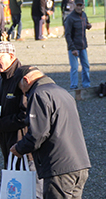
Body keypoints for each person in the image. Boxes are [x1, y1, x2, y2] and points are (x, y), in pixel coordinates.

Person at [10, 68, 91, 199]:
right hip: (80, 163)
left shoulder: (38, 94)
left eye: (21, 89)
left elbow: (38, 134)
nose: (23, 94)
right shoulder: (62, 92)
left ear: (26, 80)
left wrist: (19, 148)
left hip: (58, 167)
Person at [0, 42, 44, 198]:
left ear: (11, 56)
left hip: (26, 147)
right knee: (18, 193)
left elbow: (27, 115)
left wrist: (0, 124)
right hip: (9, 146)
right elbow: (1, 108)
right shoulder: (1, 81)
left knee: (34, 191)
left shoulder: (22, 79)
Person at [64, 0, 92, 89]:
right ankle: (74, 85)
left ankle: (86, 84)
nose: (79, 7)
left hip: (83, 46)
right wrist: (72, 48)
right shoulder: (70, 18)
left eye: (81, 5)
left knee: (86, 66)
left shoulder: (84, 15)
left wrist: (88, 25)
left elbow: (86, 23)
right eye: (77, 5)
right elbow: (67, 34)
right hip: (74, 47)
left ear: (83, 6)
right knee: (75, 68)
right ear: (74, 5)